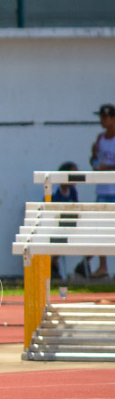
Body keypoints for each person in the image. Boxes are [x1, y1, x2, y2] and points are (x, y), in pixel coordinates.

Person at [88, 104, 115, 278]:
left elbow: (106, 165)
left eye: (105, 117)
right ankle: (103, 266)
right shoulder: (100, 138)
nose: (102, 121)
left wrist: (108, 167)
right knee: (101, 228)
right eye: (101, 117)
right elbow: (95, 164)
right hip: (103, 190)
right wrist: (93, 155)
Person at [51, 162, 79, 280]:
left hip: (70, 224)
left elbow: (77, 207)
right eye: (73, 173)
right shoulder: (54, 191)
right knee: (61, 236)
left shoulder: (72, 191)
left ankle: (54, 263)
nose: (75, 177)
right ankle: (53, 263)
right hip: (56, 224)